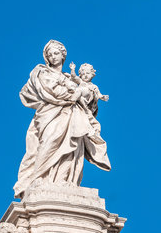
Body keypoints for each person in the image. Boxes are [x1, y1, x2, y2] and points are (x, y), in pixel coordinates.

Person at [14, 40, 111, 198]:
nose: (53, 57)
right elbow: (51, 91)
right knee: (49, 143)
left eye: (56, 53)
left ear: (63, 55)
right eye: (50, 54)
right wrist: (76, 94)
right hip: (50, 115)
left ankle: (63, 180)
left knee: (72, 147)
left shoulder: (70, 78)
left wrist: (87, 95)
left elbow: (89, 102)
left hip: (73, 115)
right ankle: (38, 178)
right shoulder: (42, 72)